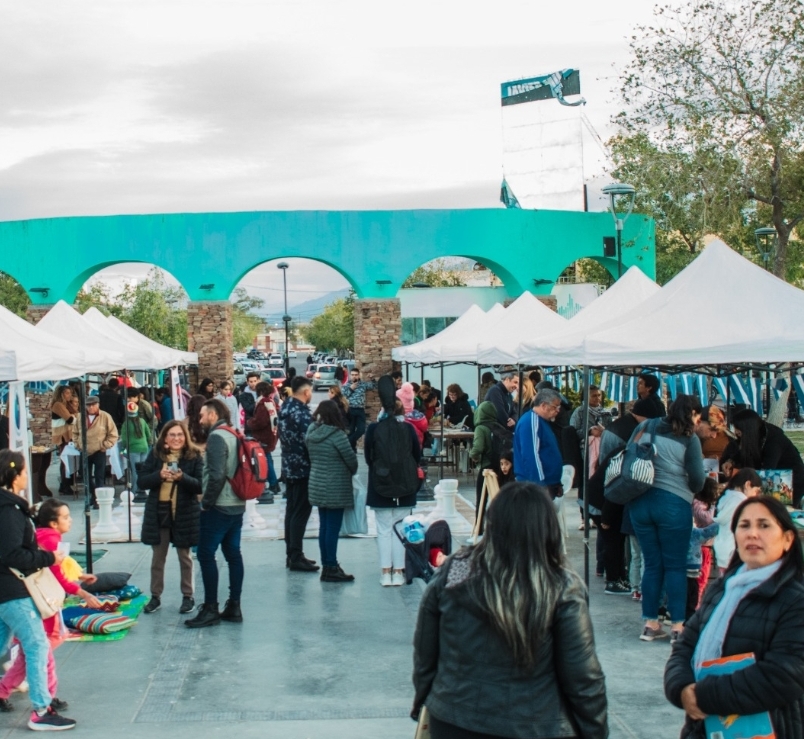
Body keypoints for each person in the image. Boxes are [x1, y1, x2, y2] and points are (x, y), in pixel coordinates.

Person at [412, 481, 608, 739]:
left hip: (453, 718)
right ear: (547, 528)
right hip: (536, 725)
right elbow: (583, 679)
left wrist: (425, 699)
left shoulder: (455, 571)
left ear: (492, 526)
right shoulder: (560, 585)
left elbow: (425, 651)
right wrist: (595, 731)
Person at [665, 496, 804, 739]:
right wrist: (681, 688)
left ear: (788, 539)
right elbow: (685, 644)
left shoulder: (795, 600)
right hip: (704, 728)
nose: (752, 534)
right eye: (744, 525)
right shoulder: (722, 588)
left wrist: (702, 696)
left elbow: (783, 675)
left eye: (764, 525)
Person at [0, 498, 101, 715]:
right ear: (54, 523)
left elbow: (61, 568)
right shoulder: (50, 541)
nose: (70, 520)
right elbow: (55, 571)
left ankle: (5, 691)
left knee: (31, 653)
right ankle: (46, 700)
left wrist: (79, 576)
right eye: (65, 517)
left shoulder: (43, 536)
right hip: (39, 603)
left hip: (25, 600)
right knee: (40, 651)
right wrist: (80, 590)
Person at [0, 451, 77, 730]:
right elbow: (11, 554)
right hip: (12, 591)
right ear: (15, 475)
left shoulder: (10, 507)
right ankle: (41, 711)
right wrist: (48, 558)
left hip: (7, 591)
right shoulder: (9, 510)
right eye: (23, 471)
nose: (26, 475)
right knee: (37, 644)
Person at [628, 394, 705, 643]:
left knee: (652, 564)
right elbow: (697, 480)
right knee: (675, 566)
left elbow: (629, 455)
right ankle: (678, 627)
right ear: (693, 414)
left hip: (640, 502)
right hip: (673, 504)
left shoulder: (645, 426)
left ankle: (650, 624)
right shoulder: (689, 439)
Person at [185, 399, 245, 629]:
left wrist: (206, 503)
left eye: (202, 415)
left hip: (220, 505)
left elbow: (218, 474)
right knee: (233, 553)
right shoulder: (234, 433)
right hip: (237, 503)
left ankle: (210, 607)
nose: (200, 420)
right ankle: (234, 605)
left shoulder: (217, 437)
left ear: (212, 414)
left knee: (206, 554)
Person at [139, 421, 203, 616]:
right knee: (158, 557)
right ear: (165, 438)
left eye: (180, 435)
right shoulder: (156, 455)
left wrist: (182, 478)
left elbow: (200, 485)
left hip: (184, 513)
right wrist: (158, 475)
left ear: (186, 437)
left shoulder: (194, 456)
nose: (176, 438)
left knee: (185, 557)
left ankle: (188, 596)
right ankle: (155, 596)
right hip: (160, 513)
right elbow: (141, 482)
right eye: (172, 435)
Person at [365, 377, 421, 587]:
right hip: (405, 484)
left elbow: (369, 458)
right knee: (400, 528)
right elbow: (417, 454)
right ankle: (399, 570)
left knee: (383, 530)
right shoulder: (408, 429)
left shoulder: (373, 429)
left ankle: (385, 571)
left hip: (381, 482)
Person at [305, 400, 358, 583]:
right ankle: (331, 567)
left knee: (324, 527)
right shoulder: (338, 436)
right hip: (336, 487)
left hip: (317, 485)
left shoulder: (312, 433)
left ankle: (327, 565)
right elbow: (352, 463)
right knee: (332, 529)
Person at [720, 408, 804, 507]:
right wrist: (731, 461)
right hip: (774, 479)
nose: (736, 432)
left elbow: (767, 471)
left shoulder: (774, 441)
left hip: (790, 482)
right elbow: (745, 450)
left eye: (738, 429)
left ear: (748, 429)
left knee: (775, 512)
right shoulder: (756, 434)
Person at [279, 377, 319, 572]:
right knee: (300, 513)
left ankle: (292, 553)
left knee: (292, 511)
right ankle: (295, 555)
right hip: (302, 468)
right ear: (305, 392)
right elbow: (309, 441)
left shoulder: (286, 407)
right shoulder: (301, 413)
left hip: (289, 466)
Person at [513, 388, 564, 499]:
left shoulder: (541, 421)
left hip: (546, 482)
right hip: (535, 484)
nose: (558, 410)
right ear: (544, 405)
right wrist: (539, 485)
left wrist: (556, 482)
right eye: (555, 407)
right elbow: (531, 456)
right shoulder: (532, 421)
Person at [712, 467, 763, 574]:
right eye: (756, 491)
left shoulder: (726, 497)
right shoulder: (741, 501)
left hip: (723, 552)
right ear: (748, 484)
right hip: (734, 553)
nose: (755, 495)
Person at [74, 394, 119, 509]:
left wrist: (105, 445)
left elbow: (113, 434)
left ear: (98, 405)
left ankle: (98, 500)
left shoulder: (105, 416)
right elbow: (74, 432)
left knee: (99, 476)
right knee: (84, 475)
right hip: (84, 450)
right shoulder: (80, 417)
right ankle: (93, 495)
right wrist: (77, 444)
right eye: (88, 405)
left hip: (99, 450)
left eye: (93, 405)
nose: (90, 408)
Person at [246, 381, 281, 503]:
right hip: (271, 434)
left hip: (263, 436)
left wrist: (250, 422)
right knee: (268, 458)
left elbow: (260, 421)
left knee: (265, 459)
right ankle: (274, 482)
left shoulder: (262, 403)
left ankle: (273, 483)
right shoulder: (270, 401)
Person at [120, 401, 151, 499]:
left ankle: (135, 490)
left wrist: (122, 449)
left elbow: (124, 439)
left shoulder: (126, 423)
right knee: (144, 470)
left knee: (135, 471)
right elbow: (148, 434)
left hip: (133, 449)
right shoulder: (142, 421)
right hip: (144, 447)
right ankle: (144, 489)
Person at [343, 367, 377, 450]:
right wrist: (351, 389)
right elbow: (343, 396)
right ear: (350, 376)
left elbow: (374, 386)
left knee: (361, 430)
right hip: (350, 410)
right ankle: (352, 449)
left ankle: (348, 442)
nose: (354, 376)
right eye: (352, 375)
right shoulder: (346, 385)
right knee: (351, 431)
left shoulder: (363, 384)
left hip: (360, 410)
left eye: (356, 375)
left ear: (359, 376)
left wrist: (372, 379)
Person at [50, 386, 76, 495]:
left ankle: (67, 483)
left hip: (68, 435)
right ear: (61, 394)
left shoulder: (66, 404)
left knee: (69, 460)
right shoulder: (58, 405)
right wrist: (75, 416)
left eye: (70, 393)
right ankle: (64, 484)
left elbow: (76, 414)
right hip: (62, 435)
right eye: (66, 393)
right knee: (65, 461)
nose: (69, 395)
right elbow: (70, 419)